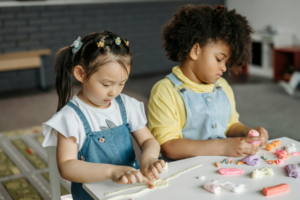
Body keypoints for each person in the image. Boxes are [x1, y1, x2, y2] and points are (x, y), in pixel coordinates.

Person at [42, 31, 165, 200]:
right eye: (106, 84)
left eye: (122, 83)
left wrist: (149, 158)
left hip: (131, 190)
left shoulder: (126, 105)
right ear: (81, 74)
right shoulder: (71, 117)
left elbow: (147, 140)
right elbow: (66, 166)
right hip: (91, 195)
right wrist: (112, 171)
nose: (114, 92)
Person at [148, 4, 269, 161]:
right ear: (195, 50)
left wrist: (247, 132)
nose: (224, 68)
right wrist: (224, 146)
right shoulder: (165, 91)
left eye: (226, 62)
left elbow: (230, 125)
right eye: (219, 59)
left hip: (221, 166)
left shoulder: (222, 87)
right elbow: (169, 147)